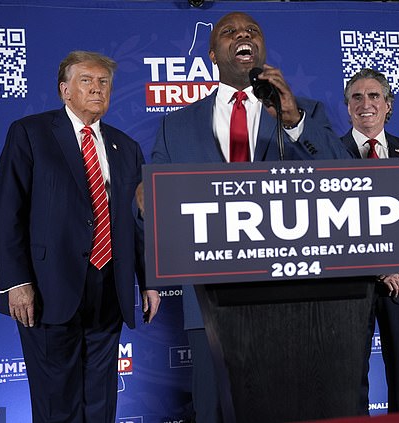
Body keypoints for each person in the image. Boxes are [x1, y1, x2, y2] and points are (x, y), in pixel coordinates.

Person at [151, 12, 352, 423]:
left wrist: (294, 119)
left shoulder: (305, 111)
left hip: (291, 294)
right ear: (212, 54)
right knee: (213, 410)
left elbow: (347, 178)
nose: (243, 34)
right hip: (208, 298)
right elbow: (155, 210)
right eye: (230, 31)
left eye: (252, 31)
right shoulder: (176, 126)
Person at [0, 50, 161, 422]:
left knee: (101, 397)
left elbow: (135, 223)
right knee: (56, 399)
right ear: (64, 90)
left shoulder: (126, 147)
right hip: (47, 289)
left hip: (109, 288)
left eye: (103, 83)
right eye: (86, 81)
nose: (96, 89)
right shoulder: (30, 133)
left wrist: (149, 282)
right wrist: (16, 282)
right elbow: (9, 213)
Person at [340, 68, 399, 413]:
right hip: (352, 283)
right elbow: (334, 227)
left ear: (388, 105)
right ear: (347, 106)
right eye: (357, 97)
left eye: (374, 96)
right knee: (351, 377)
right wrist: (378, 267)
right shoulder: (331, 153)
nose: (366, 103)